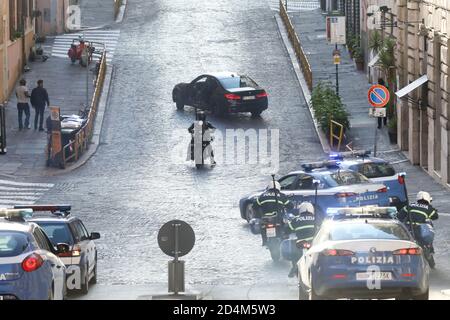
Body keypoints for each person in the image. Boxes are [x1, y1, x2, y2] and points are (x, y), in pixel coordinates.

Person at [254, 181, 293, 245]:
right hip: (277, 218)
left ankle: (264, 241)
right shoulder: (281, 195)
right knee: (284, 225)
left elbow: (254, 206)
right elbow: (290, 206)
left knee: (262, 227)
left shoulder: (262, 195)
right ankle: (282, 238)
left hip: (265, 219)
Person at [285, 202, 316, 278]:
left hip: (300, 243)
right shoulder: (316, 218)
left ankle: (294, 268)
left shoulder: (296, 219)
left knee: (294, 254)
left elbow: (288, 229)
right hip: (313, 242)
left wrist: (286, 231)